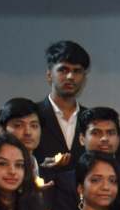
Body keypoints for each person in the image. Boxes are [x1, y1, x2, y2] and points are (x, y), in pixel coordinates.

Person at [35, 40, 90, 171]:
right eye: (63, 70)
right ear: (49, 74)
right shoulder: (31, 115)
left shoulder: (91, 119)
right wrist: (40, 168)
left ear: (84, 77)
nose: (70, 76)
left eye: (77, 71)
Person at [0, 97, 45, 179]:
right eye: (18, 125)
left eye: (34, 126)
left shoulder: (52, 174)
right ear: (3, 130)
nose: (28, 132)